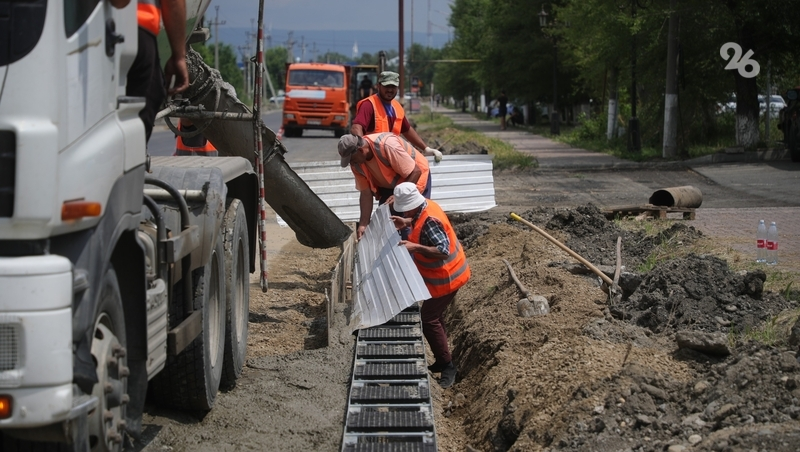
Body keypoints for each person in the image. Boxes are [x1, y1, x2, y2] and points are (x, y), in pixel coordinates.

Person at [390, 182, 471, 389]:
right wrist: (407, 222)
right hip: (448, 273)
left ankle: (448, 366)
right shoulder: (426, 206)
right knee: (434, 317)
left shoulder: (430, 220)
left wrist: (415, 247)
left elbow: (442, 249)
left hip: (447, 276)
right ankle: (443, 358)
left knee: (429, 318)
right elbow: (420, 221)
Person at [338, 133, 430, 241]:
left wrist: (397, 197)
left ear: (361, 150)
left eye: (351, 159)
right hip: (391, 186)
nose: (351, 163)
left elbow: (415, 172)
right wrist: (363, 224)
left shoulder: (387, 146)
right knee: (386, 222)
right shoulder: (356, 164)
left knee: (409, 224)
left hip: (414, 177)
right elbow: (365, 193)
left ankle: (414, 254)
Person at [126, 0, 190, 142]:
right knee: (145, 102)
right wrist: (179, 56)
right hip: (138, 27)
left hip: (86, 30)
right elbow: (173, 3)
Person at [351, 71, 443, 163]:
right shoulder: (369, 105)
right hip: (374, 161)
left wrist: (426, 148)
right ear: (378, 86)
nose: (390, 90)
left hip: (391, 158)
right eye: (387, 86)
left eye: (393, 86)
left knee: (421, 167)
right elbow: (356, 127)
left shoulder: (397, 107)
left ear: (397, 88)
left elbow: (407, 130)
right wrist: (362, 148)